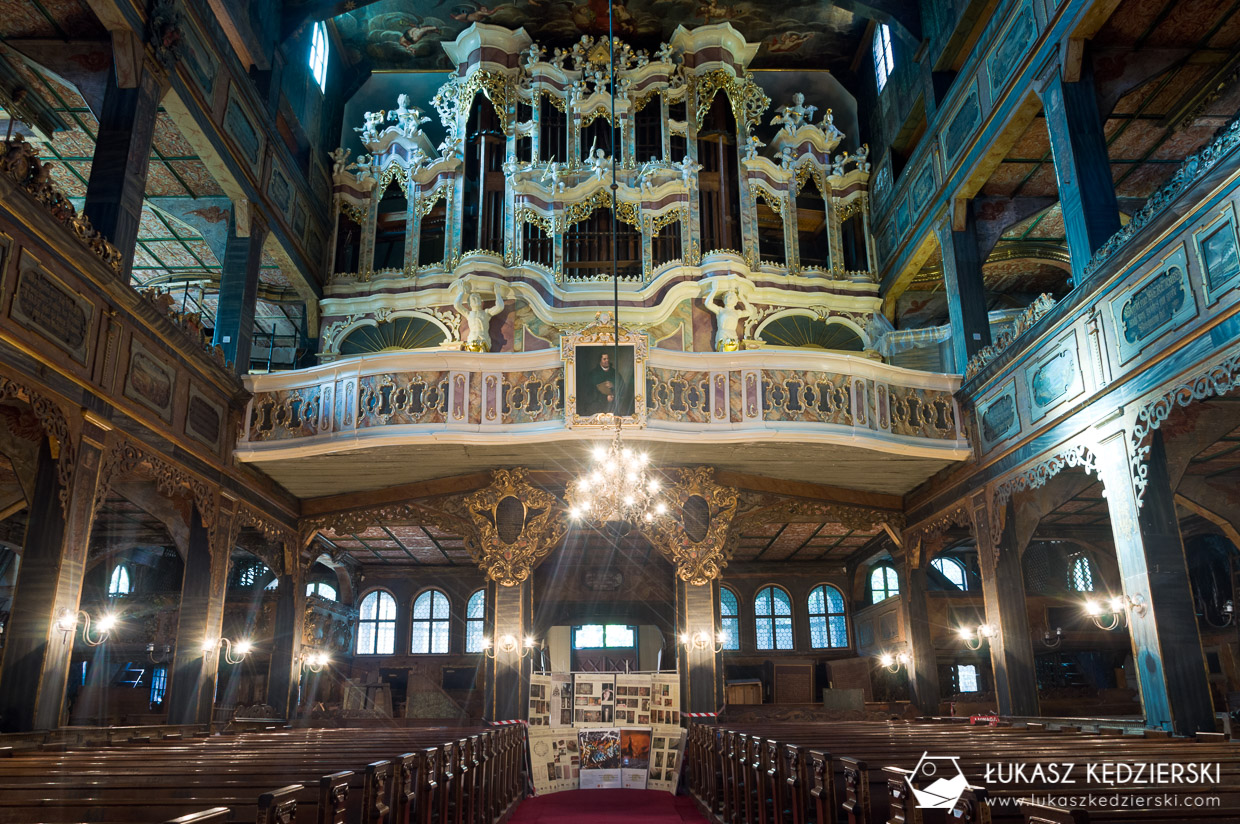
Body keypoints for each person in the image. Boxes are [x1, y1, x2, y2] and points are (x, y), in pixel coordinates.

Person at [581, 350, 630, 415]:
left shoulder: (615, 373)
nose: (607, 360)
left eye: (607, 358)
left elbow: (623, 388)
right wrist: (605, 398)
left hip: (614, 405)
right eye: (604, 359)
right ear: (600, 361)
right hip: (598, 406)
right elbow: (589, 393)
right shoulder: (593, 374)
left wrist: (613, 385)